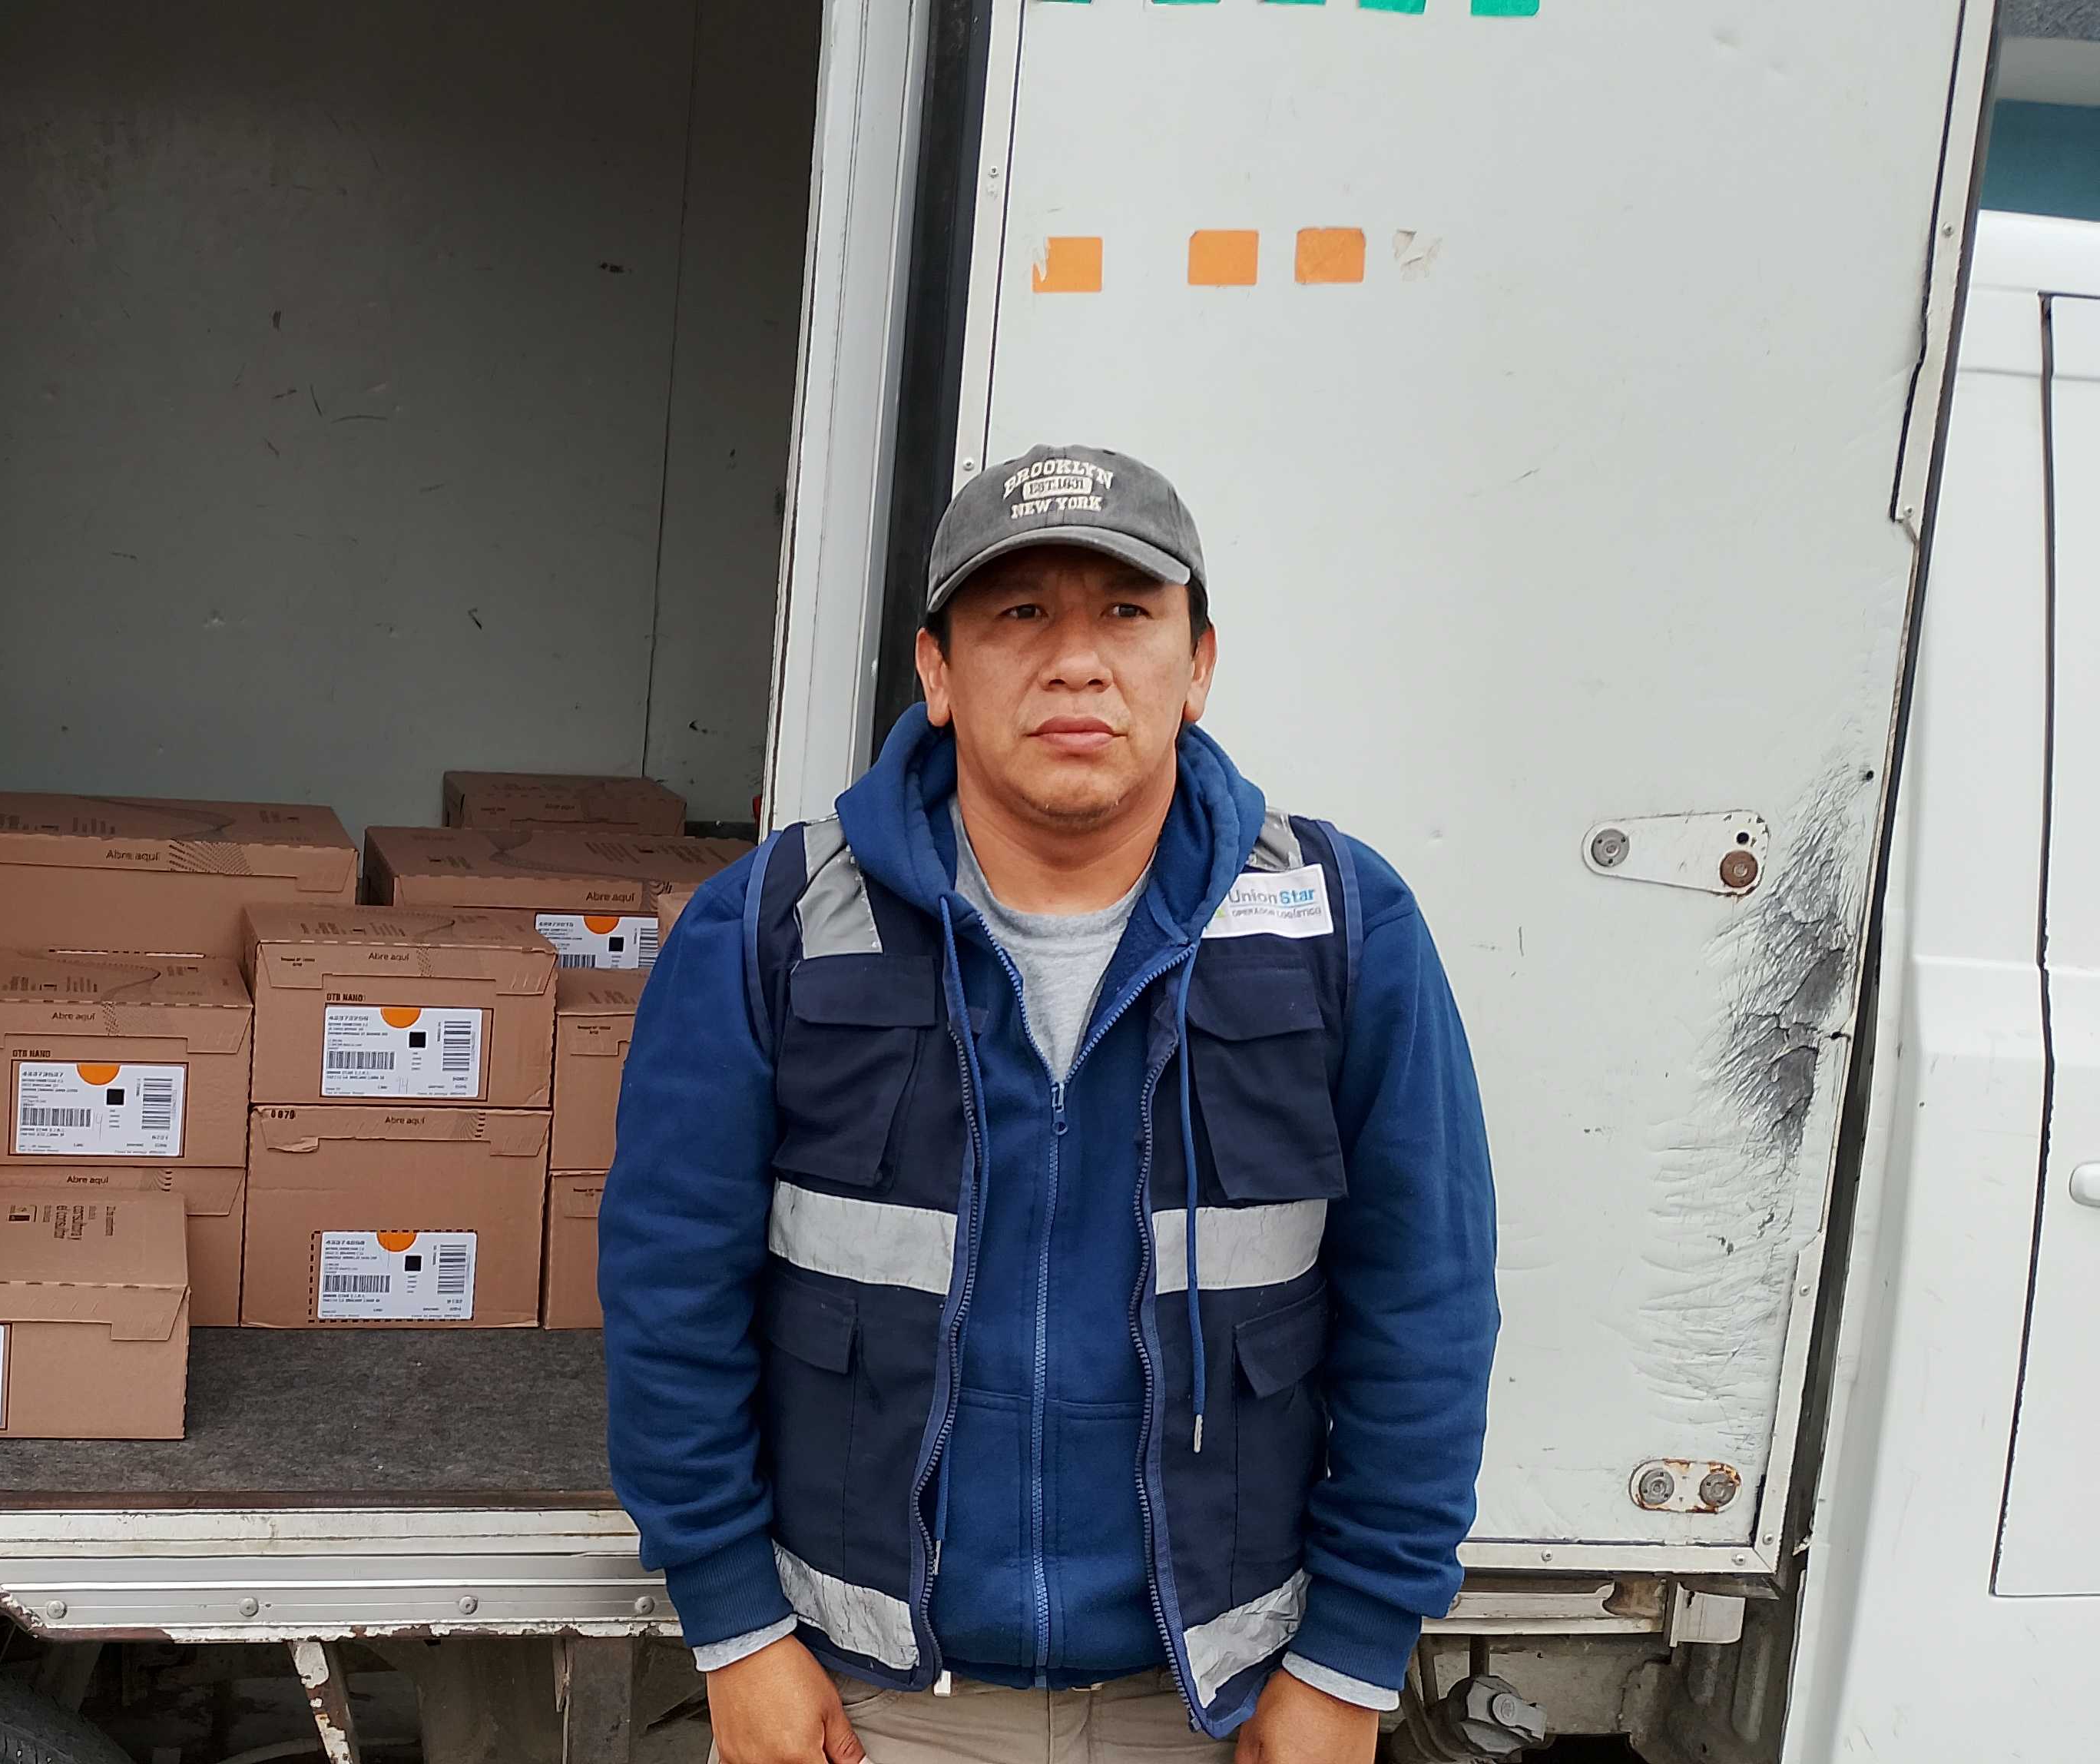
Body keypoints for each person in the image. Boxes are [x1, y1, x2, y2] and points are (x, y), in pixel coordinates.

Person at [600, 446, 1499, 1763]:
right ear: (936, 671)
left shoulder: (1340, 928)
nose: (1076, 662)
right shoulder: (773, 926)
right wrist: (735, 1629)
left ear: (1198, 665)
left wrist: (1353, 1660)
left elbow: (1425, 1306)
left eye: (1126, 613)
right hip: (869, 1706)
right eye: (1020, 614)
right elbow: (671, 1293)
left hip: (1225, 1705)